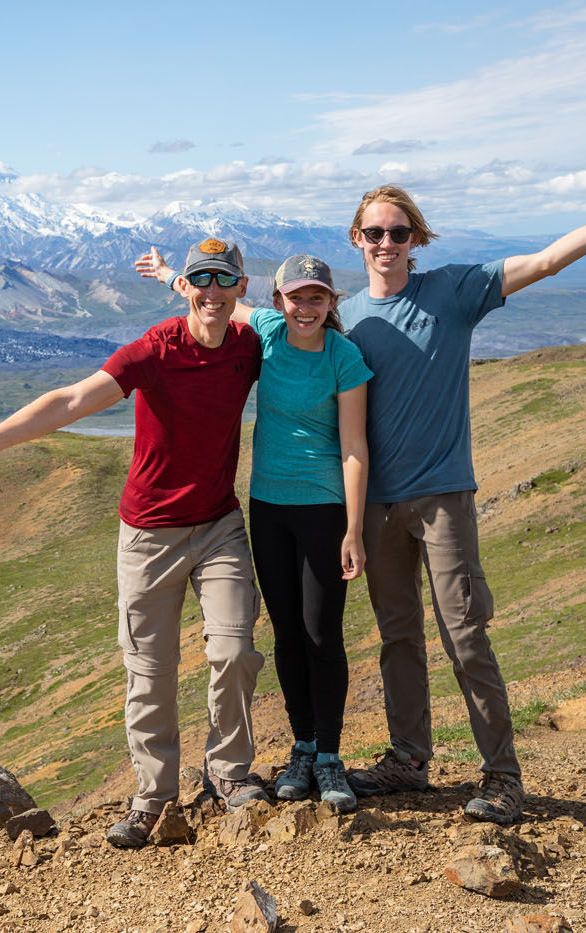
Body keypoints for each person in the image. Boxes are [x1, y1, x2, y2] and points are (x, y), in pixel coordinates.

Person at [341, 158, 586, 825]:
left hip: (442, 498)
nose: (386, 243)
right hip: (376, 507)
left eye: (398, 232)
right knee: (397, 635)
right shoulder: (346, 315)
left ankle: (503, 777)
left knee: (466, 637)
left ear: (415, 240)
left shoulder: (452, 291)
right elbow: (273, 321)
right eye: (374, 233)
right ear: (356, 240)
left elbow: (545, 262)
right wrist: (183, 286)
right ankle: (407, 759)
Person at [0, 237, 270, 849]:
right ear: (188, 288)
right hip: (149, 533)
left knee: (235, 649)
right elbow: (72, 400)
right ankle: (155, 796)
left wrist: (170, 274)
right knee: (149, 668)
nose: (212, 291)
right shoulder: (155, 350)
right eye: (201, 280)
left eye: (225, 279)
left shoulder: (249, 343)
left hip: (219, 524)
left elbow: (289, 333)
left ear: (242, 286)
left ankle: (228, 774)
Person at [137, 249, 373, 812]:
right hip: (266, 508)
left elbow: (354, 447)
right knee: (286, 634)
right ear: (278, 301)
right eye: (296, 298)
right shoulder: (266, 329)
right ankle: (303, 746)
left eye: (317, 297)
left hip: (323, 511)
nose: (305, 308)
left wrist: (354, 529)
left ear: (330, 302)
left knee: (322, 635)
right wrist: (170, 272)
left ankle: (331, 759)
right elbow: (212, 299)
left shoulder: (345, 357)